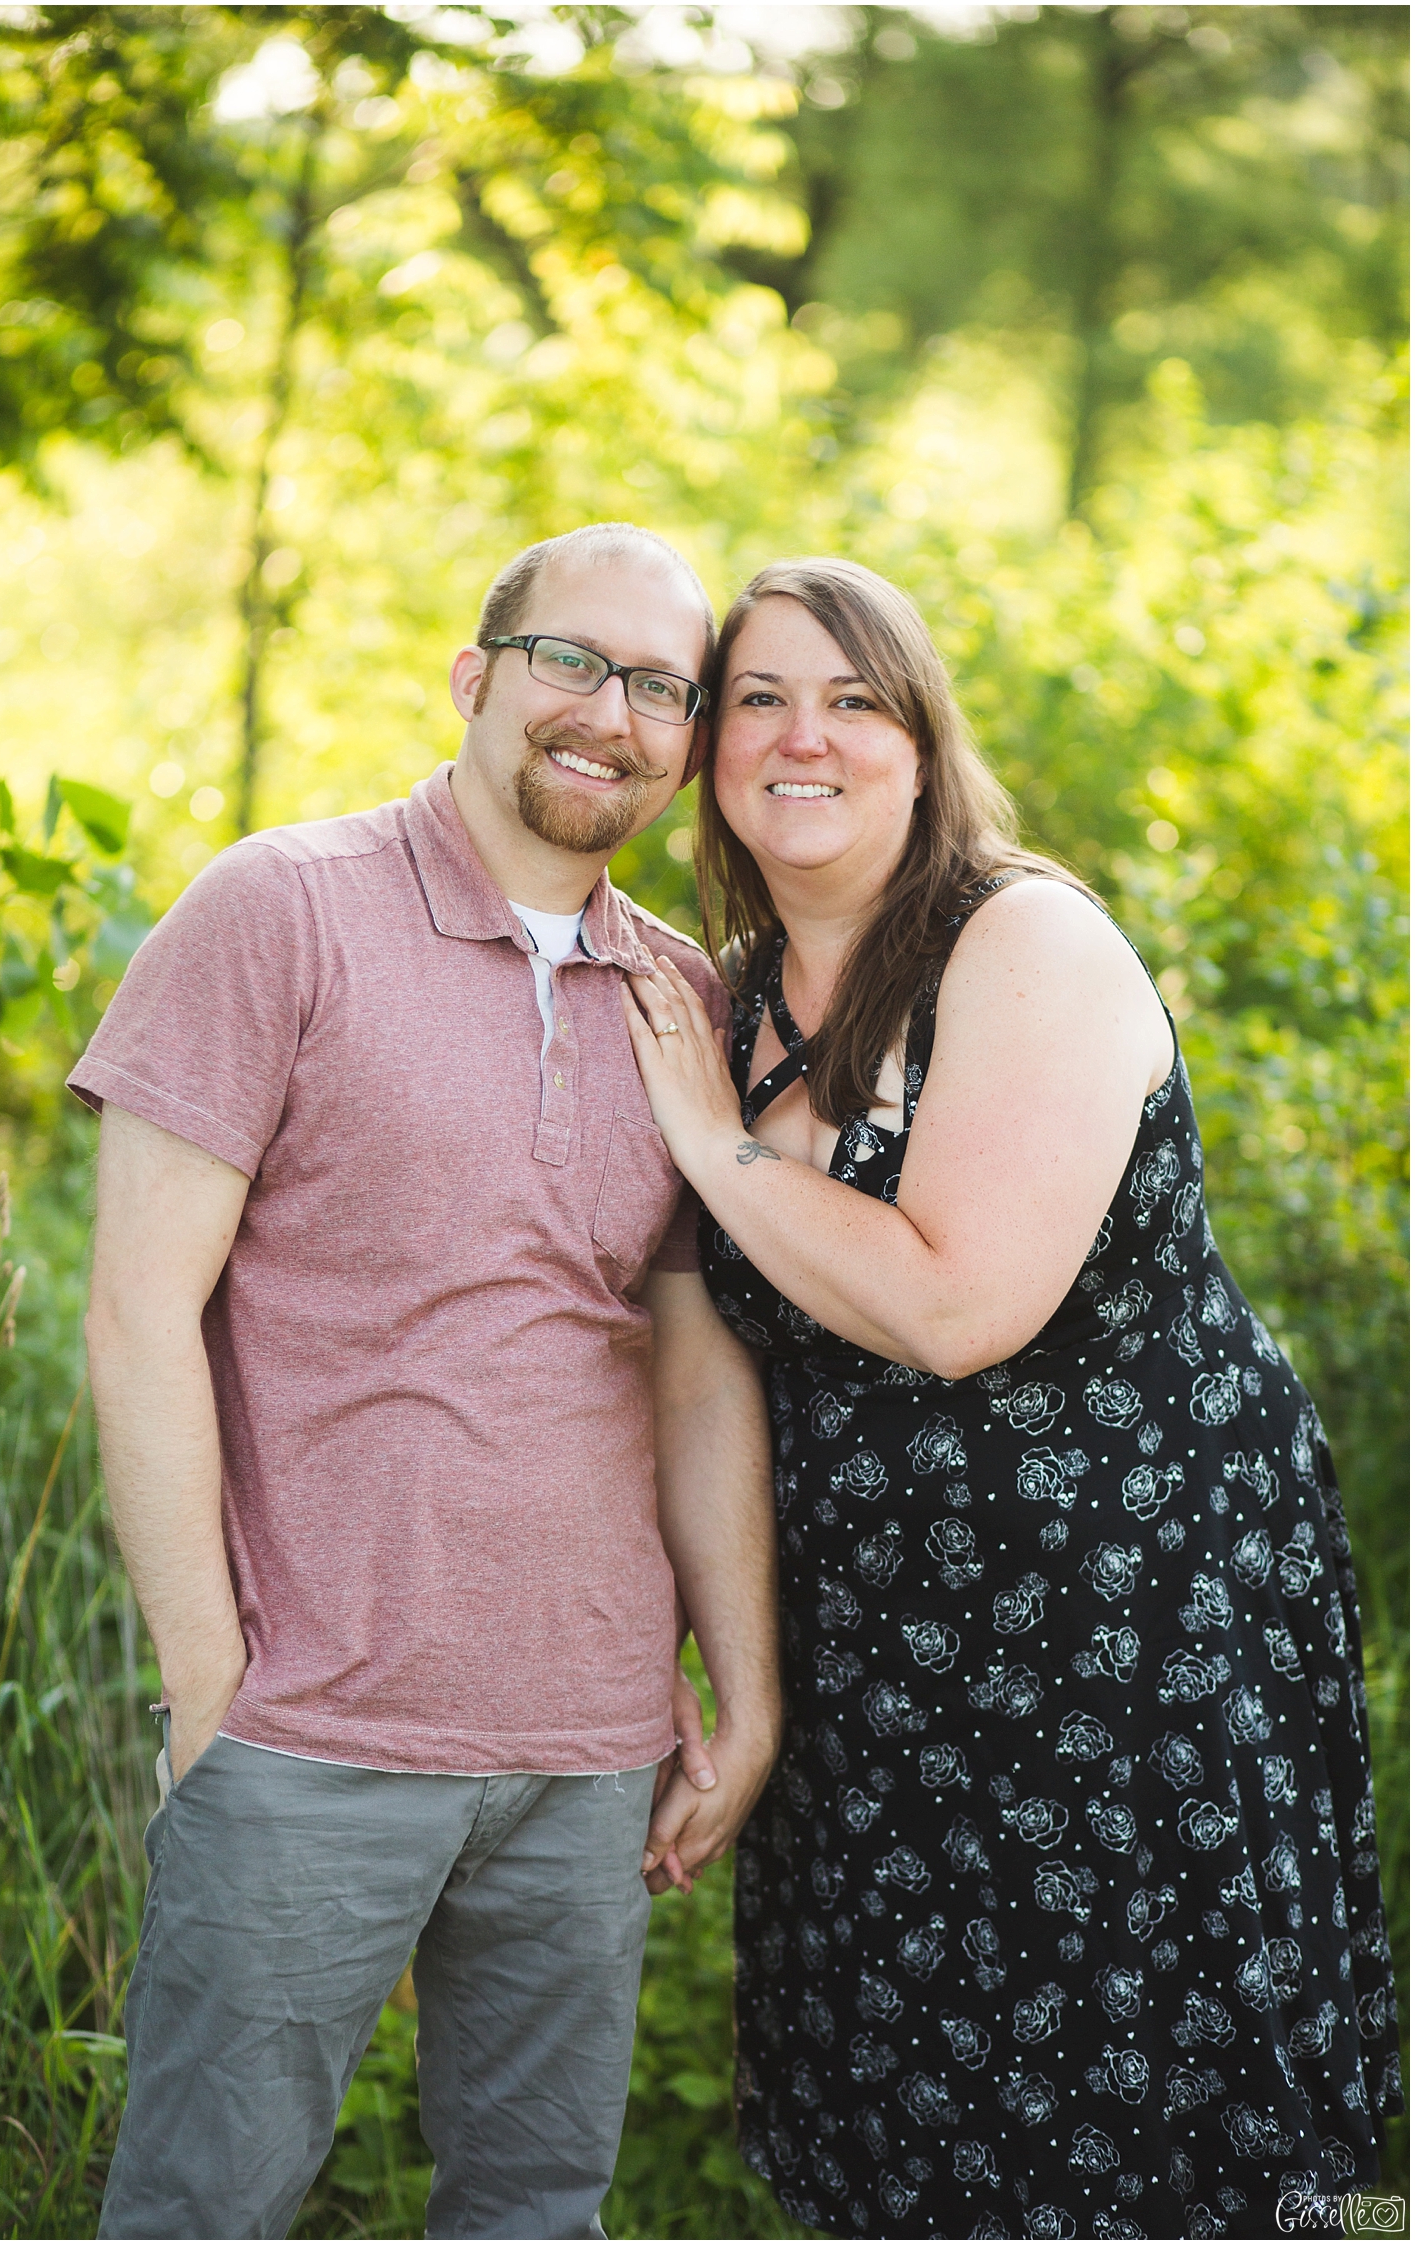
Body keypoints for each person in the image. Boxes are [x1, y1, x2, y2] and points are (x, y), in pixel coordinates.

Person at [622, 557, 1401, 2241]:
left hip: (1126, 1647)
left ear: (921, 740)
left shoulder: (1022, 940)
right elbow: (703, 1344)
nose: (801, 736)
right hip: (881, 1669)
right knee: (906, 2132)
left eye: (852, 700)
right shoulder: (726, 1003)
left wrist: (715, 1145)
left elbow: (958, 1303)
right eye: (759, 697)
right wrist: (744, 1689)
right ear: (707, 748)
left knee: (1145, 2137)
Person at [71, 521, 780, 2243]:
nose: (609, 713)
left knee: (535, 2208)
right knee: (202, 2207)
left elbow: (691, 1375)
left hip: (591, 1743)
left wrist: (734, 1690)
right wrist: (206, 1677)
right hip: (309, 1727)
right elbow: (136, 1311)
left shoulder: (680, 993)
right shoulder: (279, 907)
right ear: (474, 673)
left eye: (660, 687)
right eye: (572, 660)